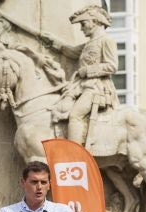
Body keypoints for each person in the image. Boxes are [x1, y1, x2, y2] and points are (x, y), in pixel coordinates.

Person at [45, 5, 119, 145]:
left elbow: (112, 66)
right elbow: (71, 51)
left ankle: (76, 154)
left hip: (97, 88)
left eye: (83, 24)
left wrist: (87, 71)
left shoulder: (106, 41)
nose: (81, 28)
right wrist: (52, 41)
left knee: (75, 115)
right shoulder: (88, 44)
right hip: (81, 86)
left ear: (95, 21)